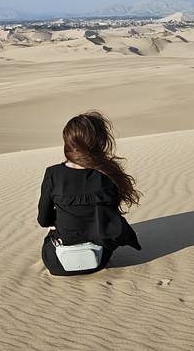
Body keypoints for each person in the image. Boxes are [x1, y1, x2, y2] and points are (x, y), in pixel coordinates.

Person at [38, 111, 141, 276]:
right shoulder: (109, 173)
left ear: (68, 143)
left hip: (58, 264)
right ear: (101, 142)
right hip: (98, 260)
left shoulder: (53, 174)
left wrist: (56, 222)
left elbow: (43, 220)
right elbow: (111, 214)